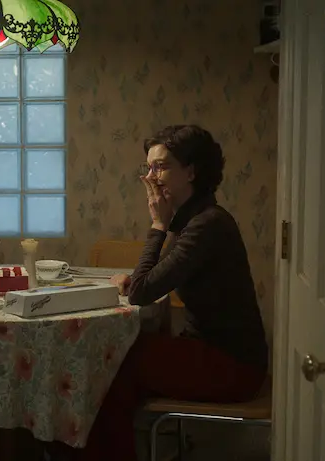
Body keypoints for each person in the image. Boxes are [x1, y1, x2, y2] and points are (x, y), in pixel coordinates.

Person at [84, 125, 270, 461]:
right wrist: (137, 276)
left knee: (113, 361)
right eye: (148, 168)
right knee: (120, 355)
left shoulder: (206, 224)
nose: (150, 178)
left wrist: (158, 223)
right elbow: (154, 278)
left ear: (191, 171)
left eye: (161, 167)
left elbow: (142, 292)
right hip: (217, 353)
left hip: (233, 366)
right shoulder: (194, 219)